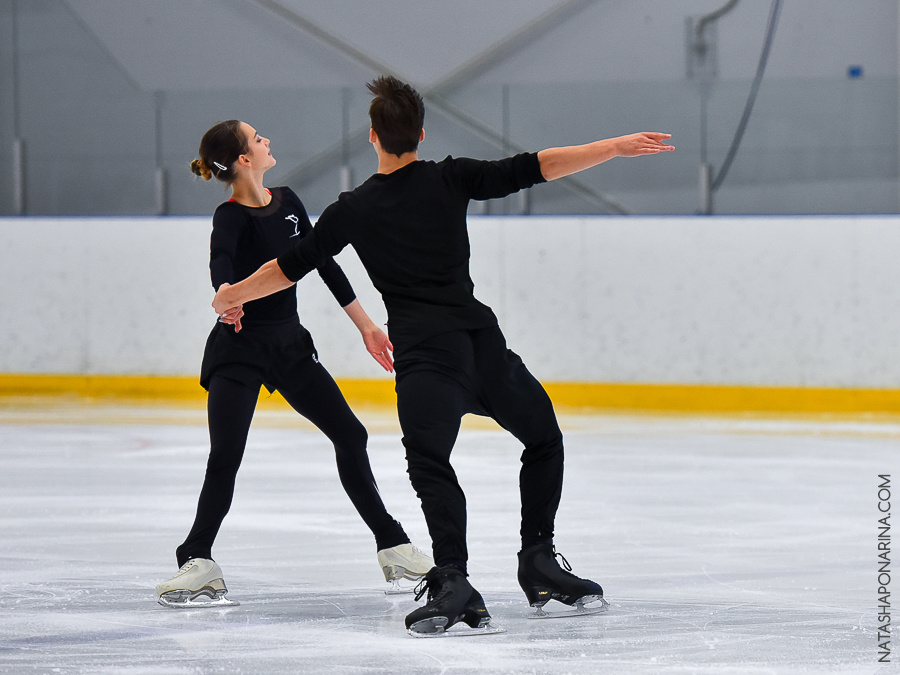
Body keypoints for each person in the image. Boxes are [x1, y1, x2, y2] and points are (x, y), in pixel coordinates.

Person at [211, 77, 674, 633]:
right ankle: (539, 558)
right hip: (482, 347)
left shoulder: (352, 209)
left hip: (428, 360)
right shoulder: (451, 177)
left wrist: (232, 294)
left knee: (432, 464)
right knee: (544, 440)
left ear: (374, 138)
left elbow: (291, 265)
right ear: (422, 135)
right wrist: (614, 147)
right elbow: (534, 166)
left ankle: (455, 577)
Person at [155, 119, 432, 608]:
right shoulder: (230, 216)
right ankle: (196, 559)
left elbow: (325, 263)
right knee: (226, 456)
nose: (267, 141)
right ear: (244, 159)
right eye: (258, 138)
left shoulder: (289, 203)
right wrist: (226, 296)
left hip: (288, 347)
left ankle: (392, 545)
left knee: (351, 434)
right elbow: (221, 264)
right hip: (238, 351)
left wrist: (366, 325)